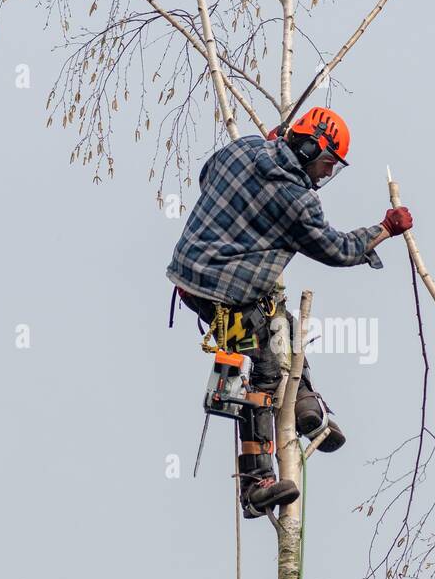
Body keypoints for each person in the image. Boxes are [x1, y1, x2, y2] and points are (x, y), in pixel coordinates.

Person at [167, 106, 413, 517]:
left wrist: (267, 148)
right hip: (221, 295)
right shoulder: (298, 202)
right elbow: (338, 249)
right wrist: (384, 229)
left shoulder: (241, 148)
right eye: (326, 165)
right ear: (309, 147)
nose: (324, 176)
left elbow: (207, 175)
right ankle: (256, 484)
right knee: (265, 364)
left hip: (186, 277)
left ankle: (305, 408)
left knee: (284, 325)